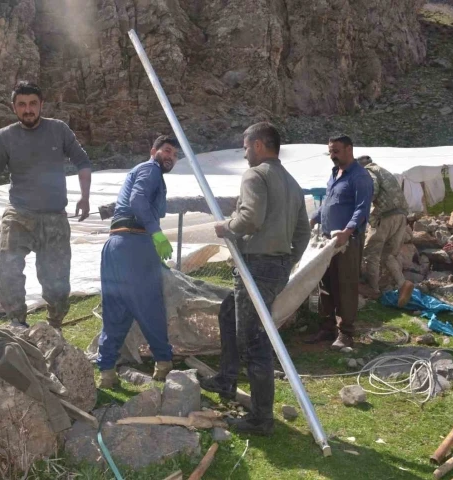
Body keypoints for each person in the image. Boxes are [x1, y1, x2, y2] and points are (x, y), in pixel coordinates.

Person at [200, 122, 310, 436]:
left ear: (260, 145)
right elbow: (302, 232)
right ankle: (226, 378)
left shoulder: (256, 175)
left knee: (253, 340)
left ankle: (262, 419)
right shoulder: (291, 183)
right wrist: (287, 261)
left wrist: (226, 226)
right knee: (228, 311)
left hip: (256, 267)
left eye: (247, 146)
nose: (245, 153)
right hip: (274, 268)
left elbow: (249, 218)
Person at [0, 81, 92, 329]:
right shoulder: (5, 137)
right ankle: (18, 322)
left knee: (58, 281)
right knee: (8, 269)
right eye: (22, 105)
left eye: (32, 104)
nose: (27, 109)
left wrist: (85, 197)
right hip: (20, 214)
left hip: (54, 216)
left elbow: (82, 161)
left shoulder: (58, 130)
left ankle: (55, 324)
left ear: (41, 105)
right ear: (14, 108)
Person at [96, 135, 181, 388]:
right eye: (167, 151)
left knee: (116, 309)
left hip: (115, 246)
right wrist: (156, 234)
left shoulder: (143, 172)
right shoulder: (150, 169)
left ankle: (107, 372)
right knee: (150, 305)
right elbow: (137, 200)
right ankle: (164, 364)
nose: (171, 157)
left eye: (175, 155)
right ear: (152, 150)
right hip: (135, 243)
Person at [307, 135, 373, 349]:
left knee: (345, 284)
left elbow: (362, 209)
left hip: (347, 241)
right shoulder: (335, 174)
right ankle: (327, 328)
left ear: (349, 149)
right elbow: (328, 204)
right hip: (327, 241)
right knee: (325, 283)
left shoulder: (360, 177)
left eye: (336, 151)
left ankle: (346, 333)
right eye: (330, 152)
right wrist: (313, 218)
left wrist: (347, 231)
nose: (332, 156)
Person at [357, 156, 414, 306]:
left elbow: (372, 189)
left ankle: (373, 289)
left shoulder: (369, 171)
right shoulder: (385, 171)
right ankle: (402, 284)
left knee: (371, 252)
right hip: (401, 215)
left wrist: (360, 208)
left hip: (385, 216)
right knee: (388, 254)